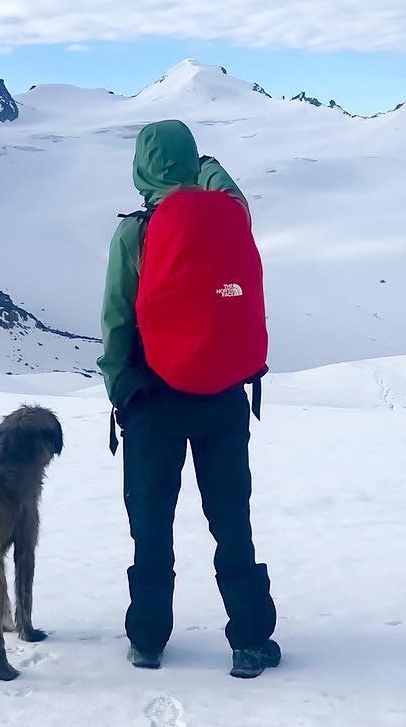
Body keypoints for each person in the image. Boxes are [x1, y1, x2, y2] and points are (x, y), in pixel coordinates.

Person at [99, 119, 280, 679]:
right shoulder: (229, 218)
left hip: (154, 398)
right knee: (231, 519)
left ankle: (148, 639)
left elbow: (116, 321)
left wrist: (120, 388)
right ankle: (249, 639)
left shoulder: (137, 232)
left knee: (151, 521)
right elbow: (234, 194)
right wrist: (205, 166)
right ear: (193, 161)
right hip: (223, 393)